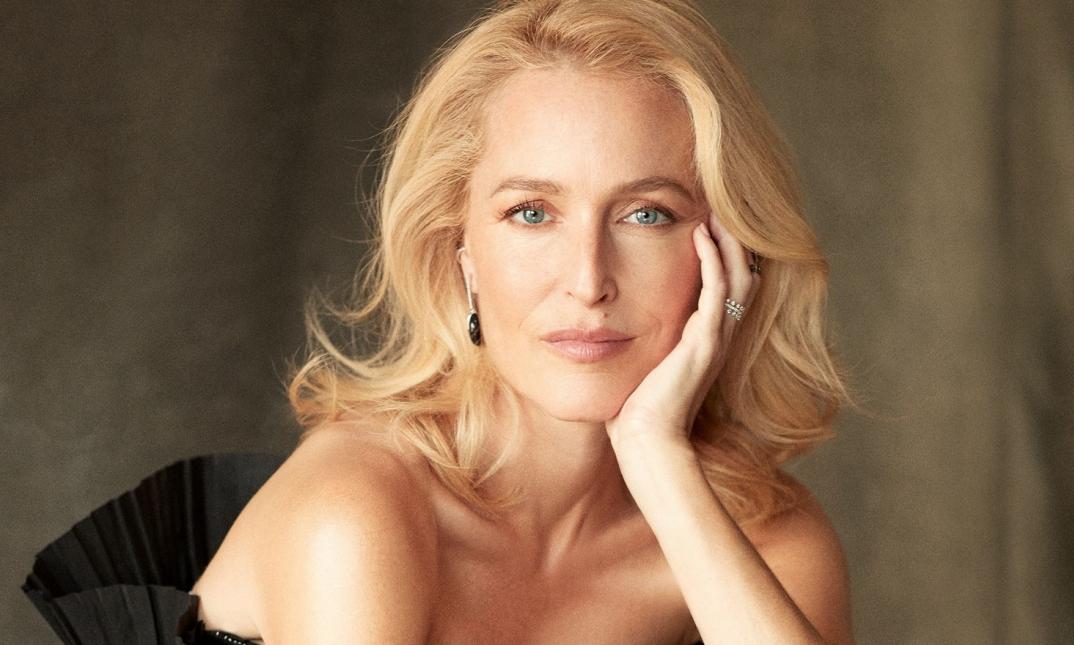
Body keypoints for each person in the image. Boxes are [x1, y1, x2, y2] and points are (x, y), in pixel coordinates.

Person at [25, 1, 854, 643]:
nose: (588, 280)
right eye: (531, 213)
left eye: (646, 214)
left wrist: (659, 461)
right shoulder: (359, 512)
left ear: (726, 253)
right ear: (461, 254)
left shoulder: (762, 533)